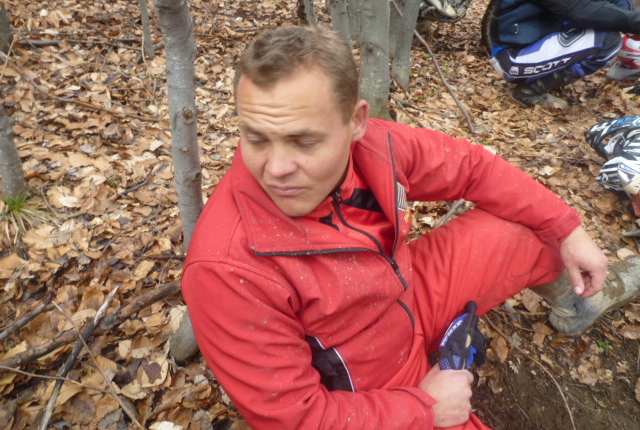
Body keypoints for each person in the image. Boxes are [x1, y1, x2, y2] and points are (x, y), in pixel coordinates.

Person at [182, 25, 638, 429]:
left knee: (532, 224)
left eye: (304, 141)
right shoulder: (228, 268)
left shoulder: (376, 146)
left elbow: (472, 167)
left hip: (407, 293)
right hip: (365, 380)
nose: (276, 168)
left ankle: (576, 302)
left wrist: (568, 228)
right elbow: (296, 418)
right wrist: (424, 407)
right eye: (256, 138)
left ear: (356, 122)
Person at [486, 0, 640, 109]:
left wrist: (629, 20)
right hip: (513, 56)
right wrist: (632, 23)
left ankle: (548, 79)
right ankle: (528, 91)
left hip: (536, 39)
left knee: (608, 27)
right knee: (608, 40)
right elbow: (581, 9)